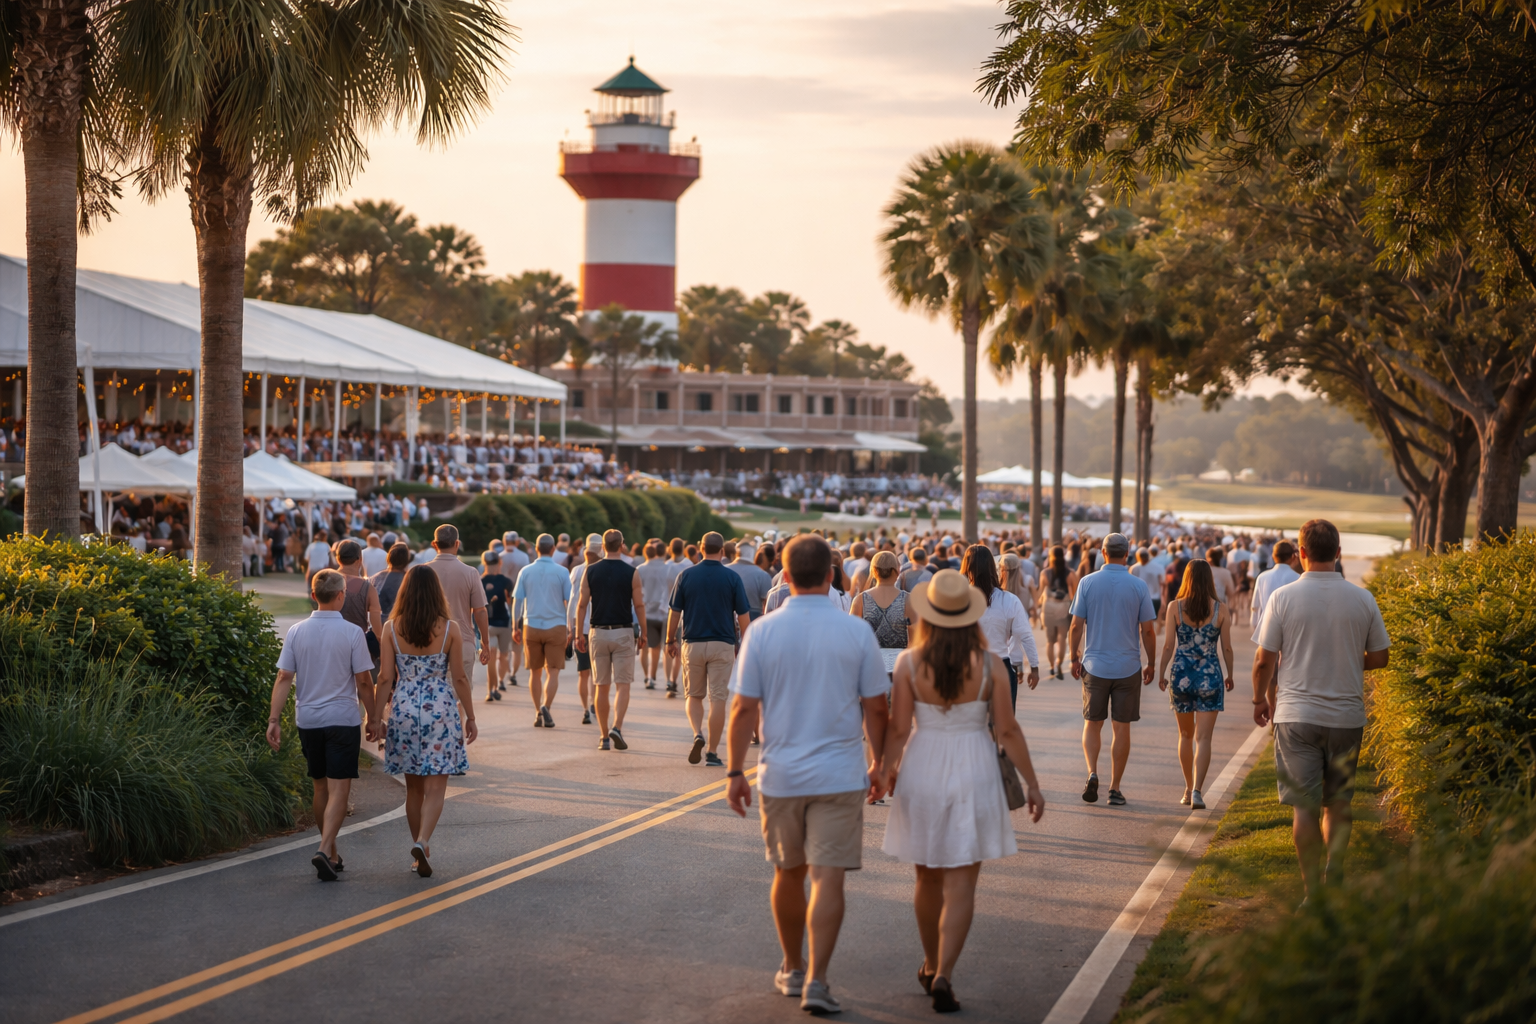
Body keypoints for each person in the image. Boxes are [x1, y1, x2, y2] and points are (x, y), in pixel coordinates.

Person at [724, 534, 891, 1015]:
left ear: (785, 575)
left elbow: (741, 710)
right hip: (840, 772)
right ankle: (818, 979)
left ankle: (793, 966)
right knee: (828, 877)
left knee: (788, 872)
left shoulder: (763, 631)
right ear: (833, 576)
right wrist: (880, 762)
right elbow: (876, 709)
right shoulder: (855, 631)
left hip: (781, 774)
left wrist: (736, 769)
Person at [880, 569, 1045, 1013]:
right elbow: (1007, 730)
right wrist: (1032, 784)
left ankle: (931, 963)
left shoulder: (909, 663)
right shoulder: (990, 664)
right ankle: (946, 974)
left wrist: (883, 770)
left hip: (923, 764)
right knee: (962, 882)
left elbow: (897, 729)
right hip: (974, 765)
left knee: (926, 875)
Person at [1253, 519, 1390, 900]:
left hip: (1296, 716)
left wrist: (1259, 699)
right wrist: (1344, 658)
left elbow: (1264, 660)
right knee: (1339, 802)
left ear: (1301, 554)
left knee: (1304, 807)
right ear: (1339, 553)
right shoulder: (1362, 598)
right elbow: (1380, 657)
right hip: (1346, 716)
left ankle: (1312, 892)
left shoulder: (1282, 598)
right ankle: (1336, 870)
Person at [265, 569, 377, 881]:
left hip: (309, 719)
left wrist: (274, 719)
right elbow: (364, 681)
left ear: (314, 595)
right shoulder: (353, 633)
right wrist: (374, 717)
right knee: (340, 787)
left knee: (319, 786)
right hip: (341, 718)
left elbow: (284, 677)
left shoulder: (297, 631)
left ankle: (332, 854)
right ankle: (324, 846)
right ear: (341, 596)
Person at [370, 565, 478, 879]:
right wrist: (470, 716)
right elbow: (458, 677)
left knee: (413, 790)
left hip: (403, 707)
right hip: (441, 709)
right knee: (436, 788)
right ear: (436, 593)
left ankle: (418, 855)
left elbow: (385, 676)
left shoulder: (391, 628)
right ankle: (423, 840)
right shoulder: (450, 629)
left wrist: (376, 718)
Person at [1067, 533, 1157, 807]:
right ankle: (1115, 788)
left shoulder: (1087, 582)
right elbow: (1148, 630)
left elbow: (1075, 625)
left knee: (1092, 724)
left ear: (1103, 553)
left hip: (1094, 665)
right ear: (1127, 554)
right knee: (1121, 728)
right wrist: (1151, 662)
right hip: (1127, 666)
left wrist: (1073, 656)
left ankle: (1092, 772)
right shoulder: (1138, 586)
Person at [666, 531, 751, 767]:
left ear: (700, 549)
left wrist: (669, 639)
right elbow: (743, 616)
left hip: (692, 642)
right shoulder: (732, 578)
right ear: (722, 552)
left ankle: (697, 732)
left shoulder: (686, 575)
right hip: (722, 644)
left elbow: (674, 611)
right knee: (718, 699)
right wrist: (748, 644)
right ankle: (713, 752)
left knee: (694, 696)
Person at [1156, 560, 1235, 809]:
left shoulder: (1175, 608)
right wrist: (1229, 674)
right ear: (1209, 579)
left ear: (1186, 578)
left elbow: (1169, 645)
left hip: (1181, 675)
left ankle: (1188, 789)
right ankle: (1199, 790)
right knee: (1204, 738)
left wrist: (1161, 673)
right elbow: (1227, 648)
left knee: (1185, 735)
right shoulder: (1220, 609)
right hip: (1210, 676)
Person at [574, 529, 647, 751]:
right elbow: (639, 605)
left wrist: (578, 633)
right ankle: (617, 726)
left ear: (603, 546)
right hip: (623, 631)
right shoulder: (632, 572)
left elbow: (582, 604)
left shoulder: (590, 571)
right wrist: (643, 631)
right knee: (623, 685)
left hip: (598, 631)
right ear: (622, 545)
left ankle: (604, 736)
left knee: (601, 686)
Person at [962, 545, 1039, 710]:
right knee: (1004, 723)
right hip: (1001, 666)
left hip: (968, 666)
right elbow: (1025, 635)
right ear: (992, 566)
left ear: (966, 567)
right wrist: (1034, 667)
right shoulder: (1009, 600)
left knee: (972, 722)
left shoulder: (959, 599)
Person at [424, 524, 491, 699]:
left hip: (428, 641)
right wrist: (485, 643)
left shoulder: (421, 572)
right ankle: (459, 726)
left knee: (432, 697)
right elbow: (480, 611)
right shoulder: (470, 572)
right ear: (457, 543)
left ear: (434, 544)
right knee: (460, 697)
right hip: (463, 641)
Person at [513, 533, 572, 727]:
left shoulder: (526, 571)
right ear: (553, 549)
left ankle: (538, 711)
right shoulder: (562, 572)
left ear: (536, 549)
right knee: (553, 671)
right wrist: (571, 626)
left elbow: (518, 601)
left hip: (532, 625)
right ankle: (547, 706)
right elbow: (569, 602)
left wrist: (516, 625)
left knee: (534, 672)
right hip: (556, 625)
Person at [849, 550, 909, 674]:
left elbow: (851, 639)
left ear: (874, 571)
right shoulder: (909, 600)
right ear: (897, 571)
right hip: (902, 668)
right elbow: (917, 640)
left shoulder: (860, 600)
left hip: (870, 666)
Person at [567, 535, 602, 723]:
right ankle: (593, 704)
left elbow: (573, 602)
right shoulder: (603, 569)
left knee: (583, 672)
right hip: (597, 627)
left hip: (581, 628)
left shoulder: (577, 571)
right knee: (596, 672)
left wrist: (570, 628)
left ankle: (585, 709)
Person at [1249, 539, 1301, 643]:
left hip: (1266, 629)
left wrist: (1255, 627)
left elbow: (1255, 607)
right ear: (1292, 556)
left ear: (1273, 556)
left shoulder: (1262, 577)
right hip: (1290, 632)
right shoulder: (1297, 577)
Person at [636, 540, 671, 690]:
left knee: (644, 647)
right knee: (658, 648)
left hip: (646, 611)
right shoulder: (667, 568)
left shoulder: (640, 569)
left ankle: (647, 677)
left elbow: (638, 591)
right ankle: (655, 676)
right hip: (663, 612)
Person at [1038, 546, 1078, 679]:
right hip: (1063, 607)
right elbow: (1076, 593)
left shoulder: (1044, 573)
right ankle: (1059, 663)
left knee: (1050, 641)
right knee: (1062, 638)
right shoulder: (1070, 573)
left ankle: (1051, 666)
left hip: (1048, 607)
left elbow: (1040, 592)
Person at [480, 550, 514, 701]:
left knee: (491, 659)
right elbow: (510, 603)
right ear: (500, 563)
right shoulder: (506, 581)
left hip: (488, 624)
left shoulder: (479, 581)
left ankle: (490, 690)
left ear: (484, 563)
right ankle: (500, 682)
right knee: (504, 656)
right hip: (504, 623)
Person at [662, 538, 691, 696]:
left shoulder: (665, 566)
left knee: (668, 644)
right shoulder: (688, 565)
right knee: (679, 648)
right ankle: (674, 679)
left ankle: (667, 679)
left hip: (668, 609)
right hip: (684, 611)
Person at [726, 539, 774, 620]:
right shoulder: (763, 575)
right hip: (753, 621)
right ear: (754, 554)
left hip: (725, 619)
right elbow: (768, 607)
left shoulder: (724, 570)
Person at [371, 543, 411, 619]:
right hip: (404, 623)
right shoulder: (411, 579)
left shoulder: (376, 578)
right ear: (407, 559)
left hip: (379, 623)